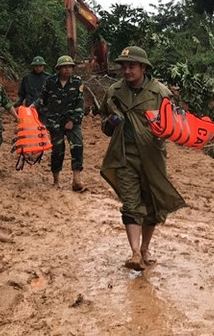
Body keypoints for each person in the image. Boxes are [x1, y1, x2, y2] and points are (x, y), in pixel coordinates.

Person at [99, 46, 186, 272]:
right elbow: (104, 127)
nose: (127, 71)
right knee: (130, 203)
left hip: (152, 156)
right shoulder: (114, 93)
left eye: (131, 66)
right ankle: (135, 252)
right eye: (124, 67)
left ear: (143, 68)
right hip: (124, 155)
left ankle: (145, 248)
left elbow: (175, 126)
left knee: (152, 204)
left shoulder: (161, 94)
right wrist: (111, 123)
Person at [35, 55, 86, 191]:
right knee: (57, 150)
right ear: (59, 69)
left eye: (70, 67)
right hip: (55, 122)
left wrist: (73, 120)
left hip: (72, 121)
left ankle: (76, 179)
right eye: (65, 67)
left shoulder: (77, 82)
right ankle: (56, 180)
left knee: (77, 145)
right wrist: (36, 112)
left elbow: (80, 104)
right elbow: (43, 100)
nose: (68, 70)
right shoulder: (50, 82)